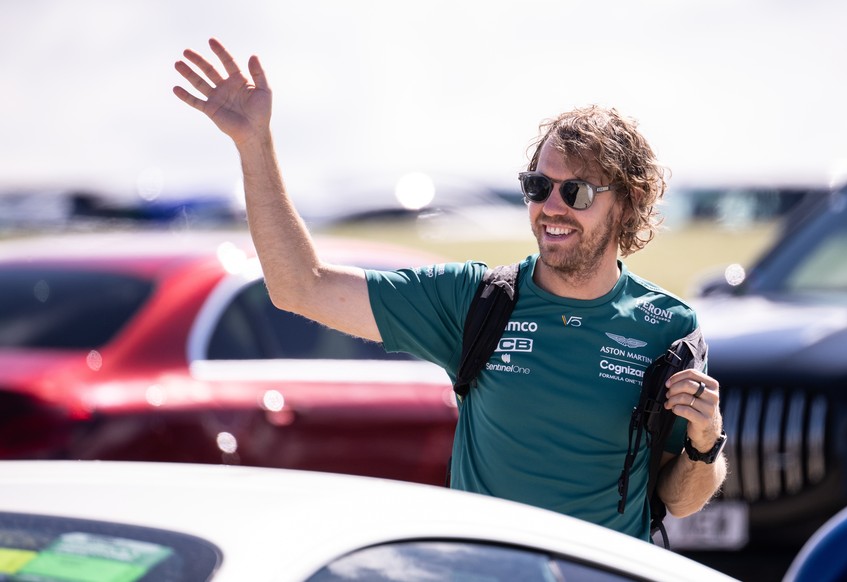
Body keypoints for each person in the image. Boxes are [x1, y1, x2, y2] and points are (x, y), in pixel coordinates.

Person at [173, 38, 727, 542]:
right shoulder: (476, 300)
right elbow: (301, 286)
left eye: (576, 192)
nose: (551, 207)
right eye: (538, 186)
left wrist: (706, 443)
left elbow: (678, 500)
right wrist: (254, 144)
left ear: (625, 201)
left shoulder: (668, 328)